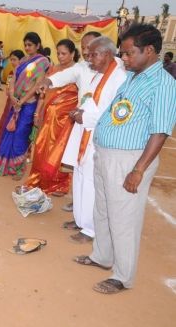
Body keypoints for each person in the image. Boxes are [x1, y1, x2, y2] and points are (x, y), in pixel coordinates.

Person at [75, 24, 176, 294]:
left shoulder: (163, 84)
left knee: (124, 219)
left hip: (129, 160)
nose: (125, 59)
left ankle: (122, 276)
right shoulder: (134, 76)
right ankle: (102, 256)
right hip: (106, 154)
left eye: (130, 53)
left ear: (150, 51)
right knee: (104, 210)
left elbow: (160, 130)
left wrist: (138, 170)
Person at [65, 37, 127, 243]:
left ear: (107, 54)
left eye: (94, 54)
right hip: (85, 131)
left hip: (99, 135)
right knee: (80, 176)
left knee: (91, 181)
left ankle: (91, 228)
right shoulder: (99, 75)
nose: (89, 59)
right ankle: (80, 220)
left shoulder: (119, 77)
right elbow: (90, 100)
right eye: (89, 54)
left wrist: (86, 116)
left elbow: (113, 111)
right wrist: (79, 111)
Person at [37, 31, 102, 223]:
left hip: (99, 128)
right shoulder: (82, 67)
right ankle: (80, 212)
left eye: (90, 47)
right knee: (80, 169)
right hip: (82, 126)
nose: (86, 51)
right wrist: (48, 81)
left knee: (92, 173)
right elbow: (64, 76)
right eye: (83, 47)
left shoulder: (114, 68)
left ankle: (89, 220)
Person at [0, 33, 50, 179]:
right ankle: (6, 165)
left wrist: (22, 100)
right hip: (15, 103)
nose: (27, 47)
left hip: (28, 104)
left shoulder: (42, 62)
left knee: (21, 134)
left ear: (38, 45)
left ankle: (19, 168)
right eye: (25, 45)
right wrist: (12, 95)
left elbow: (37, 84)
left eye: (30, 45)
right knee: (10, 131)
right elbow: (14, 78)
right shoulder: (23, 60)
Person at [26, 39, 80, 196]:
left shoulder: (77, 72)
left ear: (73, 54)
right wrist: (38, 112)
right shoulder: (53, 70)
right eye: (58, 53)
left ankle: (58, 184)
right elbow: (43, 94)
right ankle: (39, 179)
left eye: (64, 53)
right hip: (48, 116)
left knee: (59, 151)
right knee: (42, 147)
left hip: (64, 120)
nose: (60, 56)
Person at [0, 49, 24, 159]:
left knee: (15, 127)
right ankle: (1, 151)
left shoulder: (24, 74)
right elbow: (7, 91)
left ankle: (12, 154)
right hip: (9, 103)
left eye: (15, 60)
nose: (12, 62)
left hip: (19, 103)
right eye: (11, 60)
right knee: (6, 125)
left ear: (21, 60)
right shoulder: (11, 73)